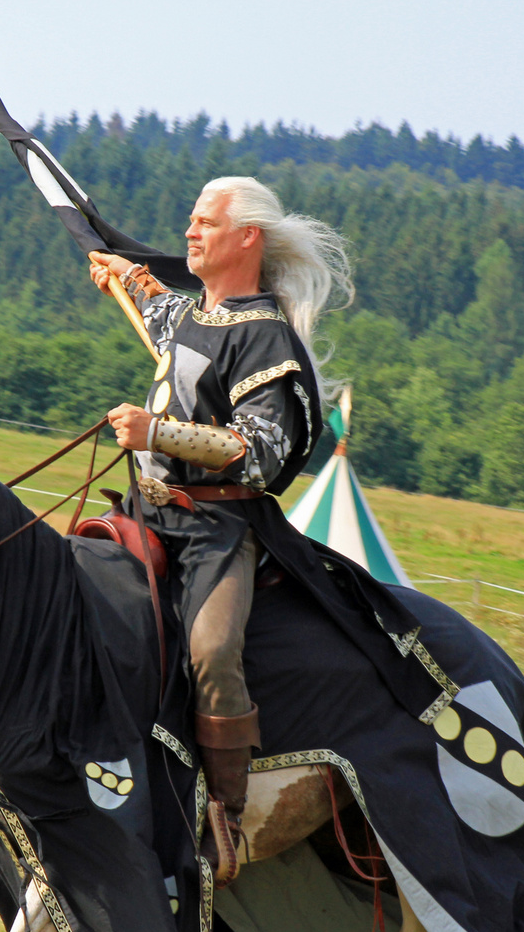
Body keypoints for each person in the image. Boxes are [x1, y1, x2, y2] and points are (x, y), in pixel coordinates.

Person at [87, 176, 347, 886]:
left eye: (205, 224)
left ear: (246, 238)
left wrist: (157, 430)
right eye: (191, 221)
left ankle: (225, 819)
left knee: (210, 648)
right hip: (148, 512)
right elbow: (156, 305)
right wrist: (121, 270)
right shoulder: (191, 312)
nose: (191, 234)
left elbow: (259, 452)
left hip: (218, 529)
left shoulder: (267, 335)